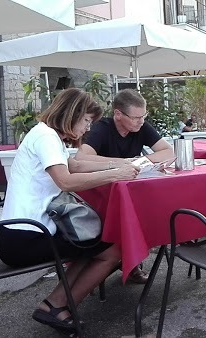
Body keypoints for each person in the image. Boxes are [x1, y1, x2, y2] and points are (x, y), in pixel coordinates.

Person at [0, 88, 140, 334]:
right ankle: (58, 304)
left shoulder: (45, 134)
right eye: (86, 121)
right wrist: (116, 174)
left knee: (92, 240)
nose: (87, 128)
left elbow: (73, 164)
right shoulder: (46, 138)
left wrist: (124, 163)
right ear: (72, 114)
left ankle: (55, 303)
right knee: (113, 249)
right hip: (23, 240)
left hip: (20, 232)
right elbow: (66, 180)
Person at [76, 89, 175, 283]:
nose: (140, 121)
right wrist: (121, 163)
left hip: (131, 189)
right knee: (131, 216)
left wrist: (139, 161)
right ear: (118, 114)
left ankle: (131, 261)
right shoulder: (102, 128)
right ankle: (123, 261)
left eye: (143, 116)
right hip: (103, 194)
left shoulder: (140, 127)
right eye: (136, 117)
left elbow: (167, 151)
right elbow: (81, 158)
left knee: (150, 213)